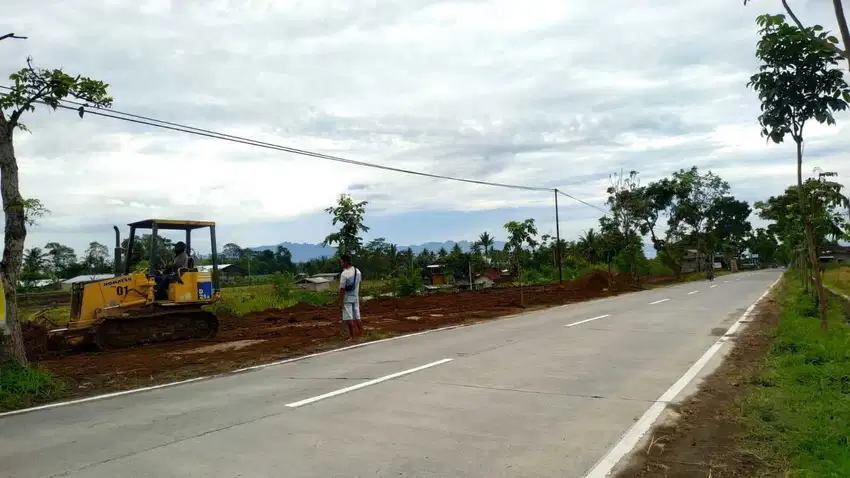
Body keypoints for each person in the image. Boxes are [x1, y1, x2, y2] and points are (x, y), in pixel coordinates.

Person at [337, 254, 363, 342]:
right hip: (355, 297)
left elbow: (342, 289)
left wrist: (340, 301)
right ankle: (361, 334)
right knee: (357, 316)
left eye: (341, 262)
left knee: (349, 318)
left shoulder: (344, 274)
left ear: (345, 262)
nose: (341, 263)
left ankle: (352, 337)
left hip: (347, 298)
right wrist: (358, 296)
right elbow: (360, 285)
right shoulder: (358, 271)